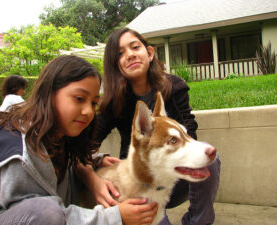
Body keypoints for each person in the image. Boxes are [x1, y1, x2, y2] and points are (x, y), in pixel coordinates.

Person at [0, 55, 158, 225]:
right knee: (45, 211)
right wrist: (115, 216)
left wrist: (95, 163)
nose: (88, 111)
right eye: (79, 99)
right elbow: (44, 217)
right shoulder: (20, 154)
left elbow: (66, 166)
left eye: (93, 103)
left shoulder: (57, 136)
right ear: (49, 93)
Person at [94, 28, 221, 225]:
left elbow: (190, 131)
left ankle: (199, 221)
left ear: (150, 53)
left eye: (135, 47)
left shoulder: (173, 86)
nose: (130, 54)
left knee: (211, 160)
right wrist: (96, 164)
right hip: (139, 182)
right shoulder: (113, 101)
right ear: (115, 65)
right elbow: (88, 143)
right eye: (120, 53)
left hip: (176, 175)